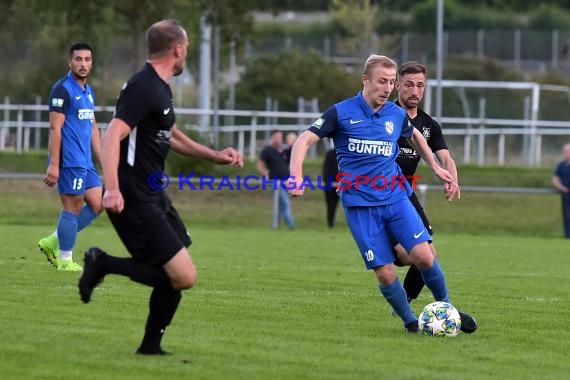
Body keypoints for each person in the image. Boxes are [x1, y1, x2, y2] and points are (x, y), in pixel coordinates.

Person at [77, 19, 243, 355]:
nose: (187, 56)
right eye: (187, 50)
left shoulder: (159, 86)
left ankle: (150, 347)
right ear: (178, 49)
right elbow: (112, 135)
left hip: (154, 193)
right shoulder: (145, 87)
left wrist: (213, 155)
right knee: (184, 276)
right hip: (134, 196)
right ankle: (102, 262)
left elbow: (171, 132)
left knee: (173, 271)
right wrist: (111, 188)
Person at [288, 54, 475, 333]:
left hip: (396, 198)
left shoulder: (395, 114)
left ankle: (447, 310)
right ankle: (411, 323)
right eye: (382, 81)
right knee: (385, 272)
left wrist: (435, 166)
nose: (387, 88)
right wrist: (296, 175)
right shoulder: (341, 112)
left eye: (390, 82)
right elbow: (304, 140)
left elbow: (416, 136)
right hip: (360, 205)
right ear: (366, 80)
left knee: (425, 256)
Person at [390, 61, 469, 329]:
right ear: (397, 84)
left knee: (426, 255)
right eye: (409, 84)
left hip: (406, 194)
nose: (415, 90)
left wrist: (452, 179)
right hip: (381, 192)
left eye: (420, 85)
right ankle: (408, 300)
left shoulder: (428, 125)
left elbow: (445, 157)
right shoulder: (384, 115)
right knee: (419, 255)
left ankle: (406, 301)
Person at [38, 42, 103, 271]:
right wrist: (54, 165)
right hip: (69, 160)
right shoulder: (62, 89)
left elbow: (93, 127)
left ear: (91, 63)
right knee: (72, 206)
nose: (83, 64)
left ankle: (53, 240)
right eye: (78, 59)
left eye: (87, 60)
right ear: (70, 62)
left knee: (98, 203)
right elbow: (55, 128)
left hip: (86, 161)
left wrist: (103, 159)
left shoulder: (89, 91)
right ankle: (65, 260)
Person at [257, 130, 296, 230]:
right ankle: (293, 227)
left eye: (280, 137)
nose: (279, 139)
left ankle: (274, 226)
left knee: (280, 206)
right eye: (277, 137)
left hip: (287, 182)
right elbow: (260, 166)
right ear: (272, 138)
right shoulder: (267, 150)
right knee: (286, 203)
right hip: (276, 182)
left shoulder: (284, 151)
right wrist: (266, 174)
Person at [552, 143, 570, 238]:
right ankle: (567, 236)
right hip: (566, 194)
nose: (565, 154)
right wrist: (562, 188)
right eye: (565, 152)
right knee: (567, 216)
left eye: (567, 152)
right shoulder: (561, 165)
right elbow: (555, 179)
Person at [322, 146, 339, 228]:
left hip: (343, 184)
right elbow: (326, 168)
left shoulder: (345, 153)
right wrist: (327, 182)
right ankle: (330, 225)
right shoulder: (330, 154)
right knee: (331, 206)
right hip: (330, 185)